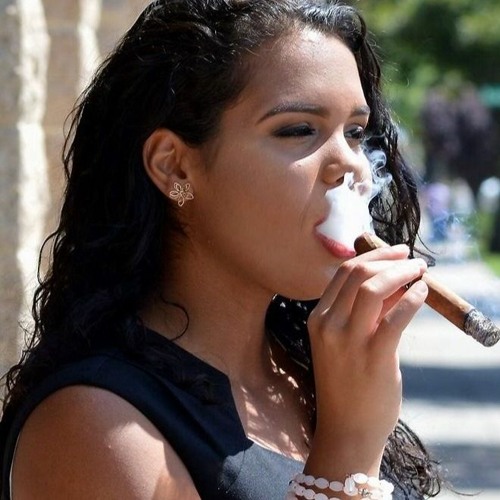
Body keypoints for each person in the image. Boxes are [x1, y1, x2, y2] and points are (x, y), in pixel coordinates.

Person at [0, 1, 444, 498]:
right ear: (175, 167)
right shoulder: (93, 424)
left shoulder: (308, 372)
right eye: (299, 130)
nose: (352, 166)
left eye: (355, 132)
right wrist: (349, 448)